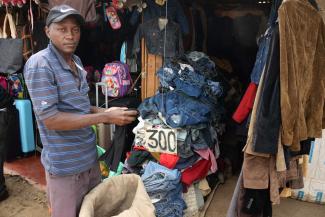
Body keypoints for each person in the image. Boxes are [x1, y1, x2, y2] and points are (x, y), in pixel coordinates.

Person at [23, 5, 138, 217]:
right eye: (62, 29)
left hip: (89, 160)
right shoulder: (40, 64)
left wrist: (109, 113)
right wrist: (104, 116)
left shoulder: (75, 61)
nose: (70, 36)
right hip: (66, 168)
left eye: (75, 30)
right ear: (48, 31)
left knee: (92, 212)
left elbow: (80, 106)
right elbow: (51, 119)